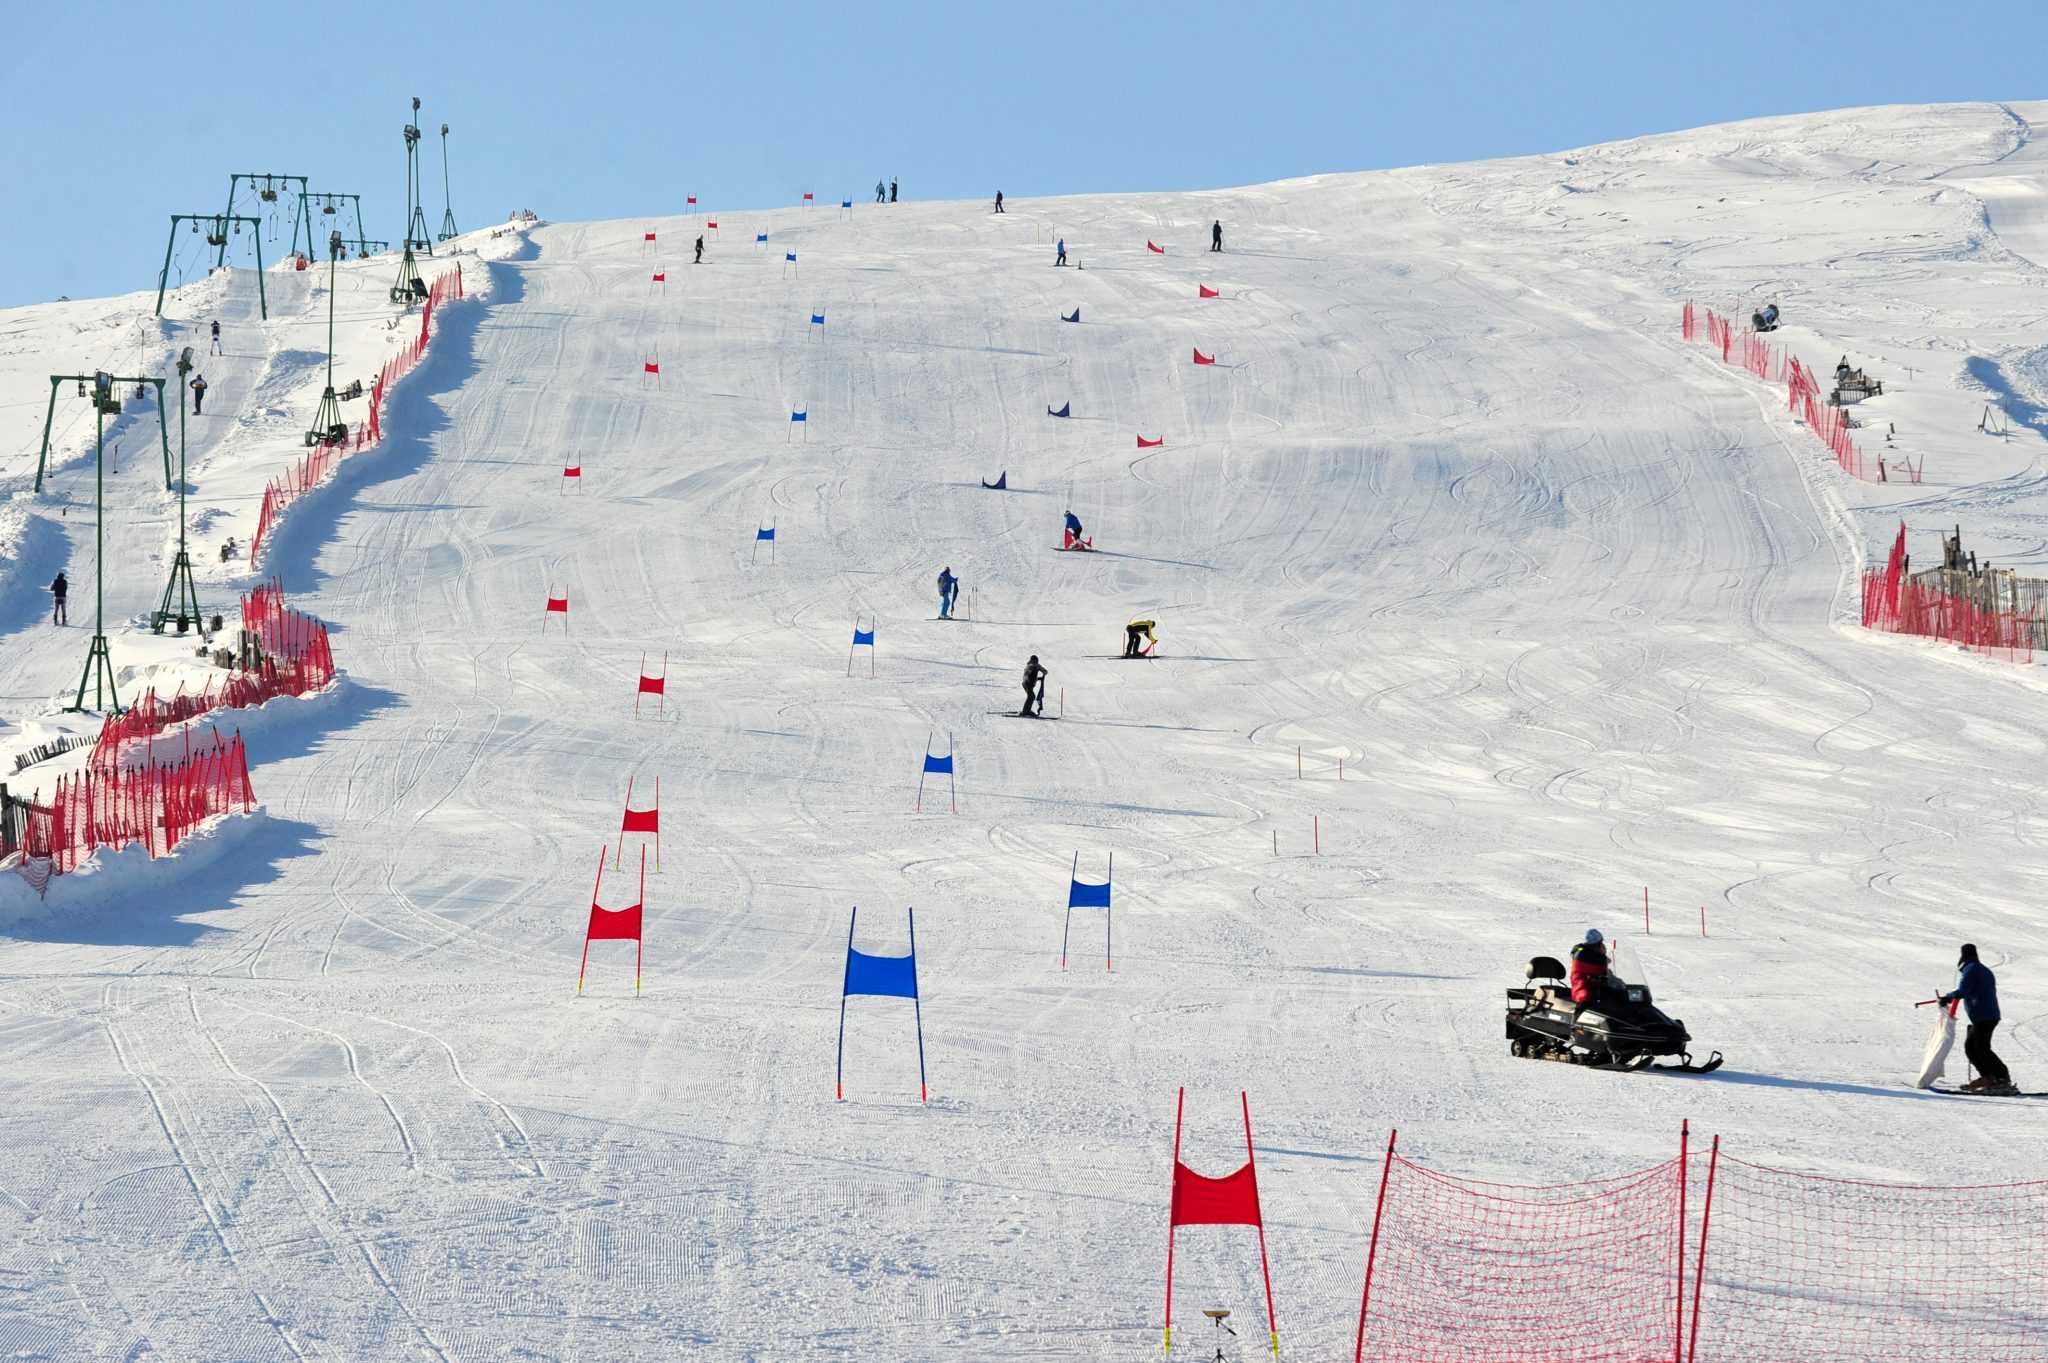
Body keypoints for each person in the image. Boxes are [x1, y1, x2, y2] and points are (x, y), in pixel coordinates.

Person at [1940, 943, 2013, 1092]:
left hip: (1984, 1015)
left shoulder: (1971, 969)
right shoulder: (1983, 969)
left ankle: (2000, 1078)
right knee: (1974, 1048)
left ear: (1963, 955)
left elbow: (1963, 990)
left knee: (1978, 1048)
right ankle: (1990, 1077)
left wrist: (1948, 997)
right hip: (1987, 1015)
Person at [1569, 929, 1611, 1006]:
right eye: (1600, 943)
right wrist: (1603, 957)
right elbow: (1598, 966)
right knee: (1586, 1000)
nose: (1602, 945)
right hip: (1583, 990)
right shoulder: (1583, 955)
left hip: (1593, 988)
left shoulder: (1583, 950)